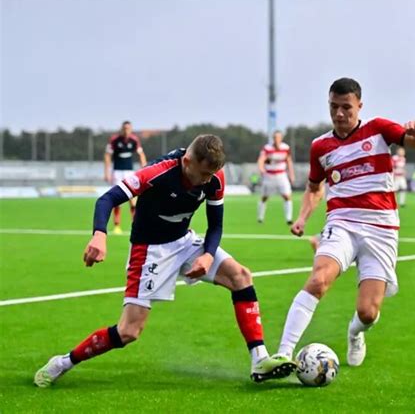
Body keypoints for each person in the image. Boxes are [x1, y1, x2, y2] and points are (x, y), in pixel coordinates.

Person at [34, 135, 295, 388]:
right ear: (188, 162)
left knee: (240, 276)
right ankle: (63, 362)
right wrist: (99, 235)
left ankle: (259, 360)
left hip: (185, 242)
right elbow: (108, 199)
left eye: (210, 175)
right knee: (128, 331)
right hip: (150, 250)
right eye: (202, 174)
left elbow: (216, 224)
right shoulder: (158, 172)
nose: (206, 180)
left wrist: (206, 254)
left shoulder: (214, 176)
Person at [274, 78, 415, 367]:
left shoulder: (379, 129)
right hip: (342, 222)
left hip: (381, 228)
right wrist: (302, 218)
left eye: (346, 107)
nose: (339, 114)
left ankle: (355, 334)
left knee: (368, 313)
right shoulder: (320, 146)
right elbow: (313, 188)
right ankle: (283, 354)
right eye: (333, 107)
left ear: (359, 105)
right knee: (318, 280)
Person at [104, 120, 147, 234]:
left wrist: (145, 169)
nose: (126, 130)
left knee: (133, 200)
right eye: (124, 128)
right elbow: (107, 155)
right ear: (121, 129)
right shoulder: (114, 140)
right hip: (117, 172)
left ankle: (135, 225)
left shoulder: (134, 140)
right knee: (118, 200)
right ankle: (117, 226)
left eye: (128, 128)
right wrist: (107, 172)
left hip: (129, 172)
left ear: (131, 129)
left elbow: (141, 154)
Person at [257, 130, 295, 224]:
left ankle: (288, 219)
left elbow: (289, 161)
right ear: (272, 138)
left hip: (281, 175)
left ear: (281, 138)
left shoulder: (286, 148)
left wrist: (291, 174)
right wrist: (261, 169)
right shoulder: (267, 148)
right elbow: (261, 160)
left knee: (287, 196)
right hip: (269, 176)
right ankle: (260, 217)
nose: (276, 139)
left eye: (278, 137)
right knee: (265, 197)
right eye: (275, 137)